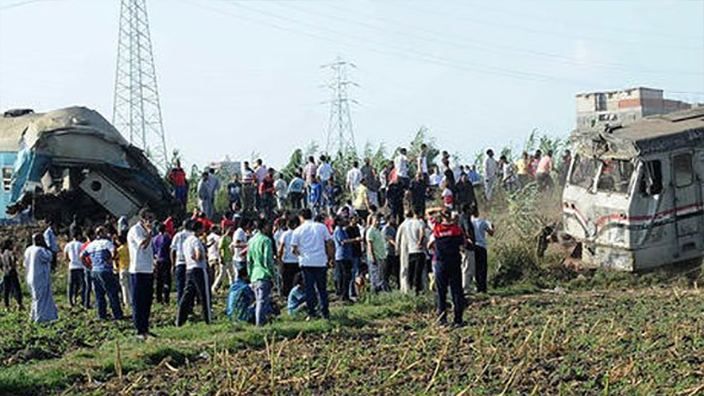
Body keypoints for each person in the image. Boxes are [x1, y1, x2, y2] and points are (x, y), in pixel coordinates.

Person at [291, 208, 334, 319]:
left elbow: (293, 249)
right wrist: (330, 257)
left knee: (309, 289)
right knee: (322, 288)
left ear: (301, 217)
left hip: (306, 262)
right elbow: (329, 243)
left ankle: (312, 312)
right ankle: (325, 312)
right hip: (320, 261)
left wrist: (300, 254)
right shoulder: (321, 227)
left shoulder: (298, 230)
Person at [428, 209, 466, 327]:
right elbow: (463, 244)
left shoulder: (437, 229)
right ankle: (458, 319)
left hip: (441, 263)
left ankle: (442, 319)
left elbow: (429, 245)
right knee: (456, 291)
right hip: (454, 262)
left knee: (441, 292)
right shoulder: (457, 229)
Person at [176, 221, 212, 326]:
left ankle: (180, 319)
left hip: (189, 268)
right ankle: (208, 319)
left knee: (187, 295)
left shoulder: (186, 241)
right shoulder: (196, 240)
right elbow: (198, 255)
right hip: (199, 268)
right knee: (204, 295)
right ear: (198, 229)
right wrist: (200, 256)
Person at [247, 220, 276, 326]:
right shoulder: (266, 240)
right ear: (264, 227)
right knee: (262, 301)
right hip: (263, 274)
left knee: (259, 300)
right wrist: (272, 273)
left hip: (254, 274)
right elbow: (267, 259)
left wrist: (250, 274)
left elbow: (249, 260)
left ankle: (260, 322)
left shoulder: (251, 241)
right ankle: (260, 324)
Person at [24, 234, 58, 323]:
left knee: (35, 298)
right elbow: (49, 257)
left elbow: (24, 264)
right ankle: (40, 318)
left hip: (30, 277)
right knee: (41, 298)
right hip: (39, 277)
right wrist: (47, 247)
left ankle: (33, 316)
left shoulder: (28, 250)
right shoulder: (40, 250)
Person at [396, 210, 427, 294]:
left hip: (409, 251)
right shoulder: (419, 222)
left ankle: (407, 289)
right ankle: (418, 290)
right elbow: (422, 233)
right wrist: (420, 242)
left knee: (409, 271)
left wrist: (397, 249)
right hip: (419, 250)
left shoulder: (403, 225)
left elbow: (398, 237)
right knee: (419, 273)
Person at [472, 206, 495, 293]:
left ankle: (477, 287)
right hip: (481, 246)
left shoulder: (470, 222)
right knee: (483, 268)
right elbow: (491, 233)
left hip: (473, 247)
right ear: (477, 212)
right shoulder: (482, 222)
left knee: (475, 268)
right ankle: (483, 287)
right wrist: (492, 227)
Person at [277, 216, 300, 299]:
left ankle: (287, 297)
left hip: (287, 261)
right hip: (297, 261)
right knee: (297, 281)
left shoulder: (285, 234)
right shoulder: (298, 233)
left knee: (287, 281)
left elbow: (280, 248)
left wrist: (279, 260)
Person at [333, 216, 353, 301]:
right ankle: (343, 295)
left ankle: (345, 295)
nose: (344, 221)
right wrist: (355, 240)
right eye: (342, 220)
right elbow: (343, 241)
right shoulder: (338, 231)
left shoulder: (343, 230)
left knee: (346, 276)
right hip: (342, 256)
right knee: (344, 276)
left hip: (346, 256)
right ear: (338, 222)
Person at [366, 214, 389, 292]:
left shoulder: (378, 230)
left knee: (380, 276)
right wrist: (372, 257)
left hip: (381, 256)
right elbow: (370, 245)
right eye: (376, 220)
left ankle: (380, 291)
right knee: (375, 276)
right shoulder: (370, 231)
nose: (378, 222)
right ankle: (374, 292)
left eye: (378, 220)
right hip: (375, 256)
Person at [171, 220, 191, 304]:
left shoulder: (177, 235)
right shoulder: (191, 236)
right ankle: (189, 306)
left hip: (179, 262)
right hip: (189, 264)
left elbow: (173, 250)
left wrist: (173, 264)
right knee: (189, 286)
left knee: (180, 286)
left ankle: (180, 305)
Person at [152, 223, 172, 305]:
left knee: (158, 280)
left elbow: (154, 251)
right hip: (166, 260)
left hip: (157, 261)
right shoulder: (167, 237)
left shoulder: (154, 239)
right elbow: (169, 248)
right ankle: (166, 298)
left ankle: (158, 298)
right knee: (167, 280)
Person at [64, 234, 85, 307]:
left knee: (71, 285)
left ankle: (70, 301)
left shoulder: (68, 245)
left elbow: (65, 256)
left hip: (72, 266)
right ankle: (82, 300)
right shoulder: (81, 245)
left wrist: (69, 262)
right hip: (80, 266)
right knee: (82, 285)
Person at [212, 226, 235, 294]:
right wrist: (220, 258)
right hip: (224, 258)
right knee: (222, 274)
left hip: (229, 258)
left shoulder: (230, 238)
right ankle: (214, 287)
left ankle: (232, 287)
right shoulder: (223, 238)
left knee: (231, 274)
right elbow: (219, 249)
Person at [2, 239, 23, 310]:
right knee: (17, 289)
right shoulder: (10, 252)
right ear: (9, 245)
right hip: (12, 272)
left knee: (6, 290)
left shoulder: (2, 253)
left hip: (5, 273)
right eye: (12, 244)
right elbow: (13, 260)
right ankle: (19, 304)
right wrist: (15, 266)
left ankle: (6, 306)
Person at [114, 236, 131, 308]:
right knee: (131, 286)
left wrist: (115, 268)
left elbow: (115, 259)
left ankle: (126, 302)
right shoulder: (129, 248)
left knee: (124, 287)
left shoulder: (119, 250)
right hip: (130, 268)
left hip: (122, 268)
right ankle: (132, 300)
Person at [206, 226, 222, 290]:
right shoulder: (218, 237)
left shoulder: (208, 237)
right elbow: (219, 247)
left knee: (211, 273)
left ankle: (209, 286)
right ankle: (215, 287)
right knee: (217, 273)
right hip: (216, 256)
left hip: (210, 257)